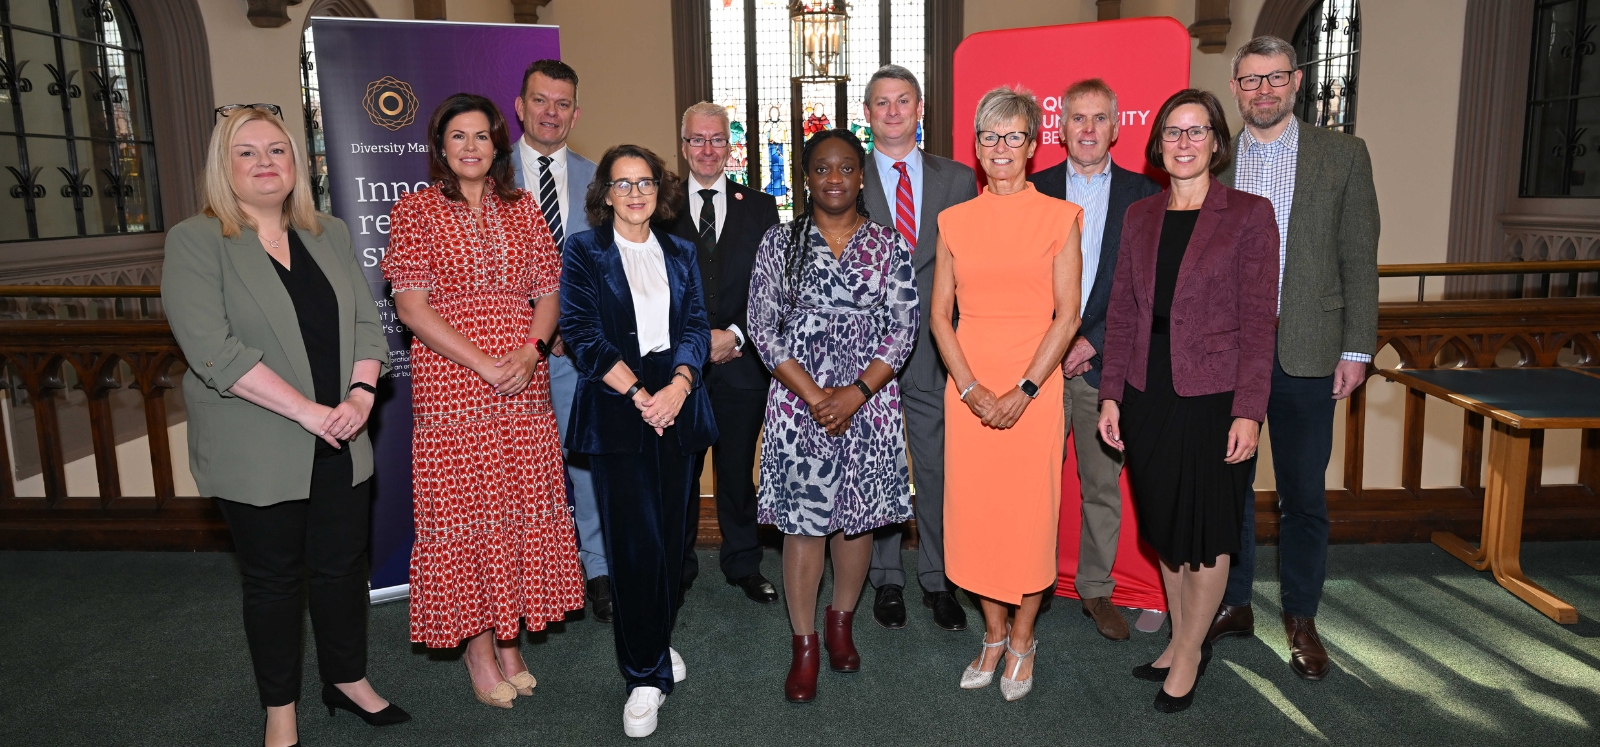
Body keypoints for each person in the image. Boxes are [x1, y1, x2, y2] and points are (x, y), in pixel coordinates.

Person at [161, 103, 406, 747]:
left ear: (298, 163)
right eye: (248, 151)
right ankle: (280, 711)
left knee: (340, 566)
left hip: (344, 434)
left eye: (278, 150)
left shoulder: (329, 232)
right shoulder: (196, 240)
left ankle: (347, 678)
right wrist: (310, 412)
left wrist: (358, 396)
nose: (266, 162)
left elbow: (363, 324)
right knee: (273, 582)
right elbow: (213, 350)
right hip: (258, 442)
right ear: (224, 166)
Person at [384, 94, 584, 709]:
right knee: (468, 513)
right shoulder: (415, 211)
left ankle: (511, 639)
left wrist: (529, 352)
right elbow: (411, 306)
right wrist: (483, 362)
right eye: (458, 136)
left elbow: (548, 292)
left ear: (498, 145)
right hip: (452, 384)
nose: (470, 146)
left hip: (523, 384)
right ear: (441, 148)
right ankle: (477, 648)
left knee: (521, 506)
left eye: (481, 136)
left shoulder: (524, 209)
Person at [1096, 88, 1279, 713]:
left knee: (1207, 532)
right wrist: (1112, 395)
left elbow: (1260, 324)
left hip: (1214, 396)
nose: (1183, 142)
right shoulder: (1141, 216)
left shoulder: (1250, 215)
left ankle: (1193, 650)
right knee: (1168, 529)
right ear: (1157, 143)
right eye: (1173, 131)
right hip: (1148, 393)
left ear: (1217, 143)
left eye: (1196, 131)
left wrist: (1249, 411)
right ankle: (1180, 638)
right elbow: (1121, 314)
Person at [1209, 36, 1380, 682]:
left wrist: (1357, 347)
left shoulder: (1343, 156)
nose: (1262, 91)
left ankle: (1302, 617)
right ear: (1235, 87)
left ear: (1298, 81)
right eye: (1250, 81)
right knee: (1232, 487)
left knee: (1304, 496)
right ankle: (1237, 602)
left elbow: (1360, 257)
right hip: (1231, 355)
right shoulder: (1217, 161)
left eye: (1274, 78)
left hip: (1312, 352)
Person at [748, 128, 919, 703]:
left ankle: (841, 621)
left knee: (857, 519)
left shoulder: (888, 245)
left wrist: (854, 393)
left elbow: (903, 328)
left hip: (868, 405)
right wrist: (817, 396)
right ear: (806, 177)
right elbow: (762, 327)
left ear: (860, 176)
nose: (835, 179)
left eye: (846, 168)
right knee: (804, 526)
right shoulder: (780, 243)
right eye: (822, 169)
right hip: (799, 405)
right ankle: (805, 645)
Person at [559, 144, 716, 738]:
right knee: (633, 550)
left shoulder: (679, 250)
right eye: (621, 183)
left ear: (660, 190)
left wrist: (678, 385)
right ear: (603, 193)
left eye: (644, 181)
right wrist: (638, 395)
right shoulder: (583, 250)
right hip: (619, 407)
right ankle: (643, 676)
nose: (634, 193)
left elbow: (697, 325)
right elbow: (580, 332)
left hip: (677, 402)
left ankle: (655, 639)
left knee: (674, 545)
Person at [934, 87, 1083, 702]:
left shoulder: (1060, 217)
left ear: (1033, 145)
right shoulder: (953, 221)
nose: (1001, 148)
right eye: (990, 137)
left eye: (1014, 136)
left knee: (1026, 518)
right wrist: (970, 389)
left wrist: (1023, 388)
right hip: (967, 386)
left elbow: (1068, 315)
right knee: (976, 519)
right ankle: (991, 635)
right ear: (975, 146)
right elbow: (941, 317)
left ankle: (1023, 637)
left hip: (1036, 388)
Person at [1027, 78, 1161, 641]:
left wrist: (1093, 341)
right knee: (1030, 483)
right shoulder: (1029, 190)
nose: (1087, 129)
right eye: (1077, 118)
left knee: (1102, 484)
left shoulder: (1144, 195)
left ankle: (1097, 590)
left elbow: (1143, 289)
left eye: (1099, 119)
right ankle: (1026, 585)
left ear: (1115, 126)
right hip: (1034, 365)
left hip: (1103, 366)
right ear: (1060, 128)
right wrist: (1051, 346)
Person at [860, 64, 979, 633]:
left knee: (935, 468)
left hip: (935, 346)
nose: (892, 111)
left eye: (902, 100)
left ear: (920, 108)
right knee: (880, 466)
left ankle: (939, 579)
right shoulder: (844, 176)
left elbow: (974, 266)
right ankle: (887, 580)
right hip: (865, 350)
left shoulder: (957, 179)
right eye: (881, 102)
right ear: (867, 113)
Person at [508, 59, 613, 624]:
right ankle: (523, 578)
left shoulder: (600, 179)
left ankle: (597, 570)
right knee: (516, 469)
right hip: (505, 356)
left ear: (577, 112)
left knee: (585, 463)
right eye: (540, 100)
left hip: (577, 354)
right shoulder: (486, 175)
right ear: (520, 107)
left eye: (562, 103)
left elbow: (611, 269)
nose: (551, 112)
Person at [670, 101, 782, 605]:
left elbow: (772, 289)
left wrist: (735, 334)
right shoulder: (660, 205)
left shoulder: (759, 207)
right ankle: (678, 565)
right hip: (679, 368)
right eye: (697, 139)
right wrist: (694, 343)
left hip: (743, 364)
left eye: (717, 139)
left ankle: (743, 563)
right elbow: (652, 289)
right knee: (680, 472)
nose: (708, 149)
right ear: (684, 144)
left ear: (730, 147)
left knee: (737, 469)